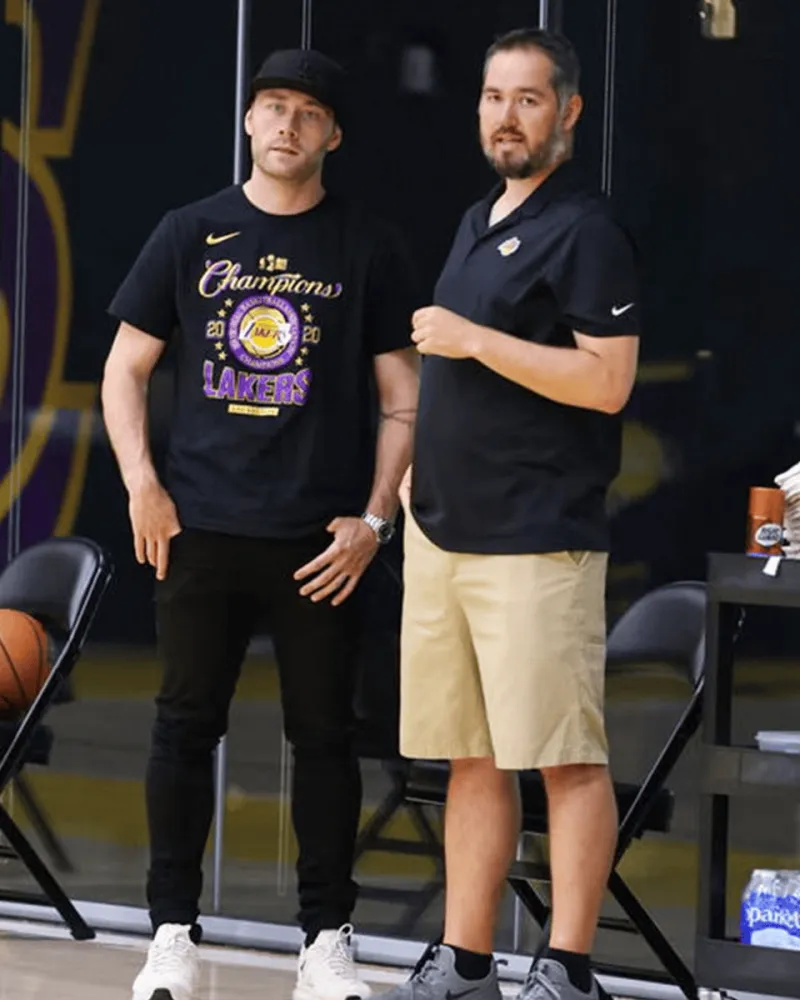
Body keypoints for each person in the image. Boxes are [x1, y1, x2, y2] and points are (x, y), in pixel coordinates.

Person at [102, 48, 419, 1000]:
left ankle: (326, 943)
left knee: (325, 740)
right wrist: (142, 486)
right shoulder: (189, 232)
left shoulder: (366, 244)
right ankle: (170, 936)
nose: (287, 123)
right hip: (200, 527)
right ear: (248, 120)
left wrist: (374, 521)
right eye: (273, 105)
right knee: (181, 729)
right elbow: (124, 368)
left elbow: (404, 399)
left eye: (308, 112)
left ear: (333, 135)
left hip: (320, 542)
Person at [387, 27, 640, 1000]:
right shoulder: (476, 219)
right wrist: (420, 464)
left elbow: (605, 382)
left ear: (567, 111)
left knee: (565, 758)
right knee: (472, 757)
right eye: (494, 97)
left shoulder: (587, 230)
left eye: (527, 99)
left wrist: (474, 338)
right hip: (444, 529)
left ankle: (567, 969)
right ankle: (465, 961)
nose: (506, 116)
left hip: (535, 537)